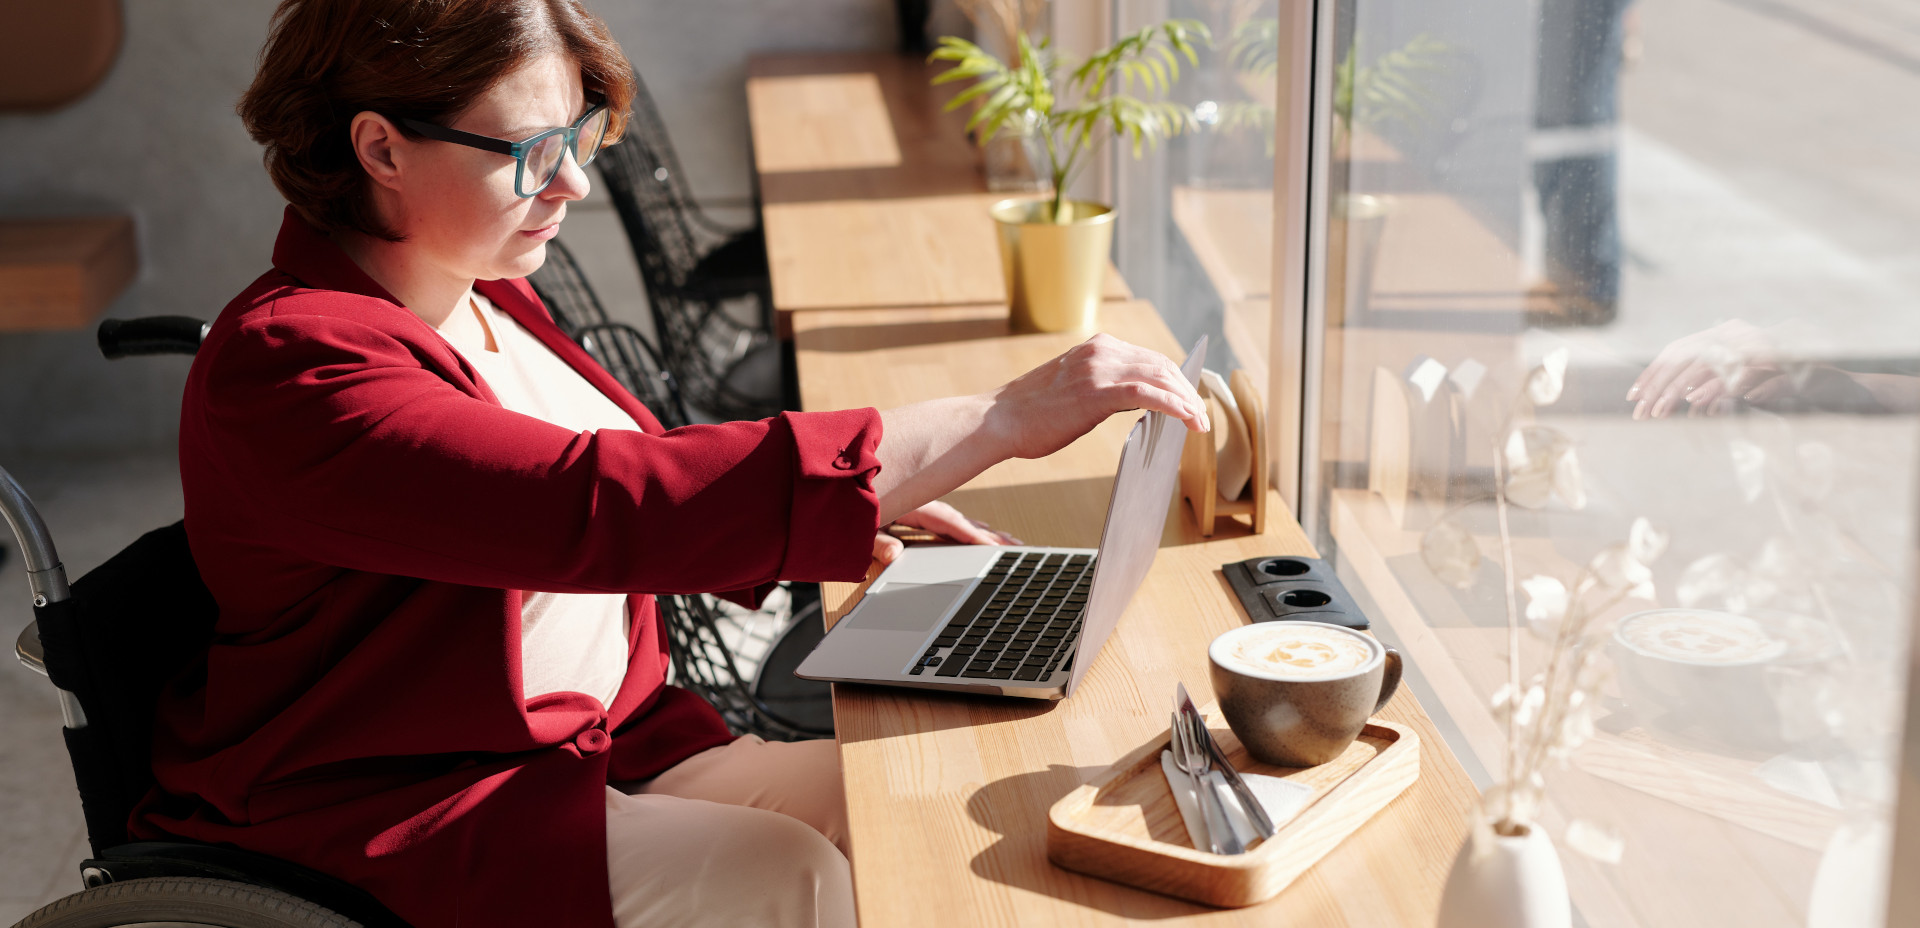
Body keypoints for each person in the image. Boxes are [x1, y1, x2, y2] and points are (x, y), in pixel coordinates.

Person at [127, 3, 1209, 928]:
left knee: (913, 794)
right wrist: (1001, 417)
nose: (572, 187)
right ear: (380, 149)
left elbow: (622, 467)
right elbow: (595, 505)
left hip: (598, 743)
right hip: (416, 799)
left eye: (579, 138)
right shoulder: (293, 366)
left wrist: (871, 507)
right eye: (530, 153)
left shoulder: (479, 287)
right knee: (796, 879)